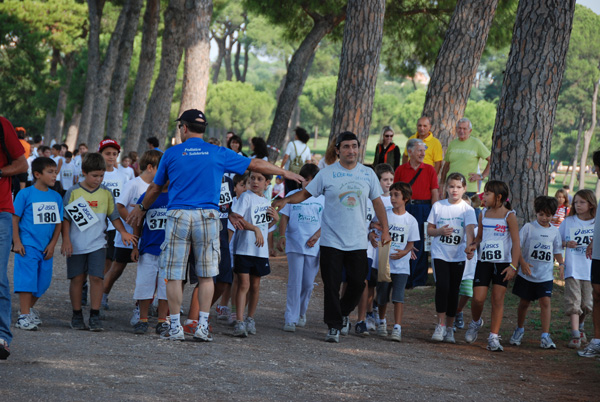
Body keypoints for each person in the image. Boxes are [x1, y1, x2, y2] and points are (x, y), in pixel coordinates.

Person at [126, 109, 302, 343]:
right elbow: (256, 163)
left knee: (174, 275)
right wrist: (284, 172)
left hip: (178, 214)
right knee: (207, 276)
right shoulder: (218, 152)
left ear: (184, 128)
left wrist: (141, 208)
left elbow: (156, 188)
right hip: (209, 216)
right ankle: (201, 326)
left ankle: (176, 327)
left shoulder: (171, 153)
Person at [273, 132, 391, 343]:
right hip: (331, 240)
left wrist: (386, 230)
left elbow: (378, 203)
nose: (351, 151)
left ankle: (341, 313)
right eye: (346, 147)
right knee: (331, 285)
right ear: (337, 150)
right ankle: (334, 327)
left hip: (357, 240)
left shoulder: (367, 174)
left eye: (354, 146)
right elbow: (305, 194)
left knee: (357, 283)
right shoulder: (327, 174)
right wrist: (286, 201)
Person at [61, 153, 137, 331]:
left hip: (98, 243)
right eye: (94, 175)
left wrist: (124, 232)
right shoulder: (73, 192)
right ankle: (77, 314)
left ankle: (95, 315)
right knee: (77, 278)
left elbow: (114, 216)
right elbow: (65, 219)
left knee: (97, 277)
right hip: (77, 244)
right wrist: (66, 240)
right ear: (84, 172)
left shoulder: (106, 193)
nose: (98, 179)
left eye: (101, 175)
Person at [465, 180, 521, 352]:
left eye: (487, 193)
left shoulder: (509, 216)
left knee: (497, 299)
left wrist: (513, 265)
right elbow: (480, 236)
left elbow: (516, 242)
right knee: (478, 298)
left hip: (503, 263)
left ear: (498, 197)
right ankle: (476, 322)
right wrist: (474, 245)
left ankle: (493, 337)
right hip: (484, 262)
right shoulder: (483, 213)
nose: (484, 196)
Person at [103, 150, 161, 314]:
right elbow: (119, 205)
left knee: (150, 271)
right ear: (150, 167)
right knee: (117, 269)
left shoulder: (157, 188)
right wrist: (131, 220)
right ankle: (101, 297)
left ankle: (146, 303)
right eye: (160, 168)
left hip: (146, 238)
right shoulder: (133, 184)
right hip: (128, 237)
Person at [12, 157, 63, 331]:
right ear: (37, 174)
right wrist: (17, 242)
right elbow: (15, 218)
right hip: (28, 244)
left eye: (55, 172)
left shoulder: (56, 196)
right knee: (27, 280)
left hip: (46, 246)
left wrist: (53, 244)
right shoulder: (25, 194)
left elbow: (59, 222)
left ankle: (27, 309)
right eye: (50, 172)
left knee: (43, 282)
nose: (54, 175)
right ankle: (24, 316)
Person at [427, 173, 476, 343]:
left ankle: (450, 327)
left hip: (458, 255)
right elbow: (430, 230)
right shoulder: (438, 206)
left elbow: (470, 230)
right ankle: (440, 325)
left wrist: (470, 247)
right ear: (446, 187)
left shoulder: (467, 209)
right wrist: (440, 231)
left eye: (458, 187)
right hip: (440, 253)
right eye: (451, 186)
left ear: (464, 189)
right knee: (442, 287)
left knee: (454, 290)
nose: (454, 190)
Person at [509, 196, 564, 349]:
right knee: (524, 303)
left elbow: (558, 250)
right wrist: (522, 263)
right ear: (536, 213)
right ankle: (519, 330)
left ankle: (545, 336)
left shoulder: (554, 232)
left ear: (553, 214)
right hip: (527, 274)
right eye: (541, 214)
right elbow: (517, 246)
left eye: (548, 215)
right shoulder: (528, 227)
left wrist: (561, 264)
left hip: (545, 275)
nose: (544, 218)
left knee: (545, 302)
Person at [230, 171, 280, 337]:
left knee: (255, 286)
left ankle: (250, 318)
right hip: (244, 248)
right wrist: (255, 229)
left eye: (260, 179)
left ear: (267, 183)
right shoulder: (246, 197)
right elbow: (238, 218)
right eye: (252, 178)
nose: (255, 182)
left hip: (260, 251)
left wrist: (275, 219)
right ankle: (239, 320)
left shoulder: (266, 201)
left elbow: (264, 225)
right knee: (244, 284)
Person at [278, 164, 323, 332]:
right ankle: (290, 317)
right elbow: (284, 218)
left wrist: (317, 236)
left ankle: (302, 312)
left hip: (313, 245)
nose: (308, 183)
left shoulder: (322, 198)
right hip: (295, 243)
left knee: (307, 283)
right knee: (294, 282)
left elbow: (326, 222)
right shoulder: (291, 196)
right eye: (305, 179)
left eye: (312, 180)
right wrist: (282, 236)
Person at [375, 181, 419, 342]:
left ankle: (397, 327)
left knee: (398, 297)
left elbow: (411, 243)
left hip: (401, 266)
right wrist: (373, 233)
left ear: (406, 198)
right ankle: (381, 322)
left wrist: (404, 253)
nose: (392, 198)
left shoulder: (410, 220)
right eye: (391, 194)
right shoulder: (384, 213)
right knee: (382, 296)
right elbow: (373, 226)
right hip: (384, 262)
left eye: (396, 195)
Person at [394, 138, 439, 288]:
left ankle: (419, 280)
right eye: (420, 150)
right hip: (406, 208)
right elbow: (394, 191)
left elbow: (434, 192)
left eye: (423, 151)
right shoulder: (401, 170)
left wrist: (435, 213)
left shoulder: (430, 169)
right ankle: (403, 277)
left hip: (424, 209)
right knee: (405, 240)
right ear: (410, 152)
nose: (422, 153)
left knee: (421, 243)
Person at [0, 116, 27, 359]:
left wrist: (0, 172)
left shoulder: (1, 124)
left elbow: (22, 164)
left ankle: (2, 337)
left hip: (1, 213)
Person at [130, 173, 170, 335]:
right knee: (144, 284)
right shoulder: (146, 196)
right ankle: (143, 319)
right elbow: (137, 221)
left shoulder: (176, 196)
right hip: (148, 248)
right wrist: (135, 246)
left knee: (165, 286)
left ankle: (162, 320)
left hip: (169, 251)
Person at [559, 189, 595, 349]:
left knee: (587, 304)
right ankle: (575, 335)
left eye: (582, 202)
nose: (578, 205)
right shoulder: (569, 221)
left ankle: (580, 327)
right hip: (573, 268)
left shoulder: (596, 223)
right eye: (576, 202)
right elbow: (557, 241)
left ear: (591, 204)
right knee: (574, 301)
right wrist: (567, 244)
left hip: (590, 269)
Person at [97, 139, 128, 309]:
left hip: (114, 225)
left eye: (114, 154)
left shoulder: (123, 175)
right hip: (97, 224)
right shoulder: (95, 174)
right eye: (107, 153)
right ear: (100, 154)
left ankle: (101, 294)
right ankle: (93, 289)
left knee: (110, 261)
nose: (111, 157)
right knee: (96, 260)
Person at [580, 150, 600, 357]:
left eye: (597, 166)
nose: (595, 170)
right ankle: (597, 340)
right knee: (597, 293)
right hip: (598, 252)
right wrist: (593, 242)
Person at [439, 118, 491, 196]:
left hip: (468, 188)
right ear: (456, 129)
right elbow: (446, 166)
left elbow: (491, 160)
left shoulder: (476, 143)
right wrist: (442, 184)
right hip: (451, 188)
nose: (461, 131)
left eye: (464, 128)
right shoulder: (452, 144)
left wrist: (482, 176)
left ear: (470, 130)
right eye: (459, 128)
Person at [280, 127, 312, 194]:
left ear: (297, 135)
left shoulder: (291, 144)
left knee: (289, 192)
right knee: (297, 192)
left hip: (290, 172)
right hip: (300, 174)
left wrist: (281, 167)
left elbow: (286, 157)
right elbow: (308, 162)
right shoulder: (306, 147)